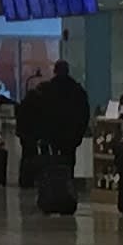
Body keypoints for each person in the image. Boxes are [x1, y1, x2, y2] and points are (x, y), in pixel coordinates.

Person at [21, 58, 91, 216]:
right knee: (68, 165)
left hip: (50, 136)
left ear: (55, 71)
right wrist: (78, 134)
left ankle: (49, 196)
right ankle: (68, 194)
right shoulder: (77, 91)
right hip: (70, 137)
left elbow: (36, 113)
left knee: (49, 166)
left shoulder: (46, 90)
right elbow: (84, 114)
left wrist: (39, 133)